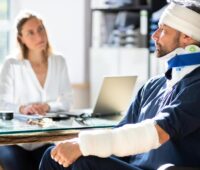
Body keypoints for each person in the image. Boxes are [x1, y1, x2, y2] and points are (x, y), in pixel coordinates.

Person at [39, 1, 200, 170]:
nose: (154, 35)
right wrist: (76, 148)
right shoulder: (153, 86)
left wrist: (84, 145)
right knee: (53, 156)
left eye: (163, 29)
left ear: (187, 37)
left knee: (85, 162)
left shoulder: (197, 85)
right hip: (132, 166)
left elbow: (157, 133)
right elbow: (122, 134)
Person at [0, 11, 72, 170]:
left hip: (46, 139)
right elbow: (2, 104)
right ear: (21, 38)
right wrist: (22, 108)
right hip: (15, 142)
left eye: (41, 29)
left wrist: (48, 107)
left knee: (61, 163)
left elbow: (67, 101)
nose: (39, 36)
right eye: (30, 32)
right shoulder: (11, 64)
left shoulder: (59, 61)